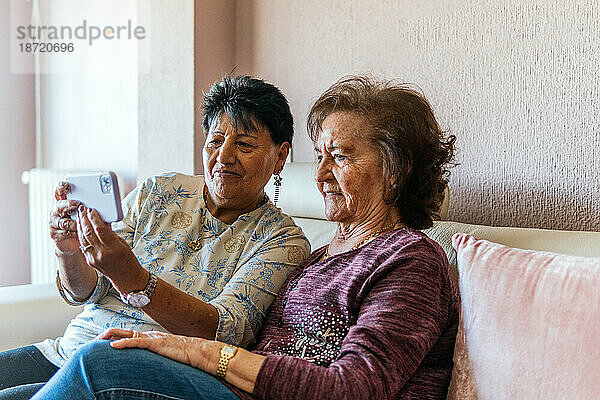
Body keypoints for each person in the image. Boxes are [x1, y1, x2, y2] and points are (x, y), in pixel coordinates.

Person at [31, 75, 459, 400]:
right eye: (322, 156)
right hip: (224, 386)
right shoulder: (325, 256)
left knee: (98, 366)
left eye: (341, 156)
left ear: (396, 169)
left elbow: (355, 387)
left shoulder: (411, 261)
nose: (321, 174)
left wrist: (196, 351)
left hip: (229, 387)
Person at [0, 76, 310, 399]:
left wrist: (133, 278)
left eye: (244, 145)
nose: (224, 156)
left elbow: (222, 331)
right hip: (70, 349)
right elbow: (88, 291)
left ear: (279, 156)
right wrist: (69, 252)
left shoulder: (284, 242)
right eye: (216, 141)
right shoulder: (158, 192)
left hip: (146, 372)